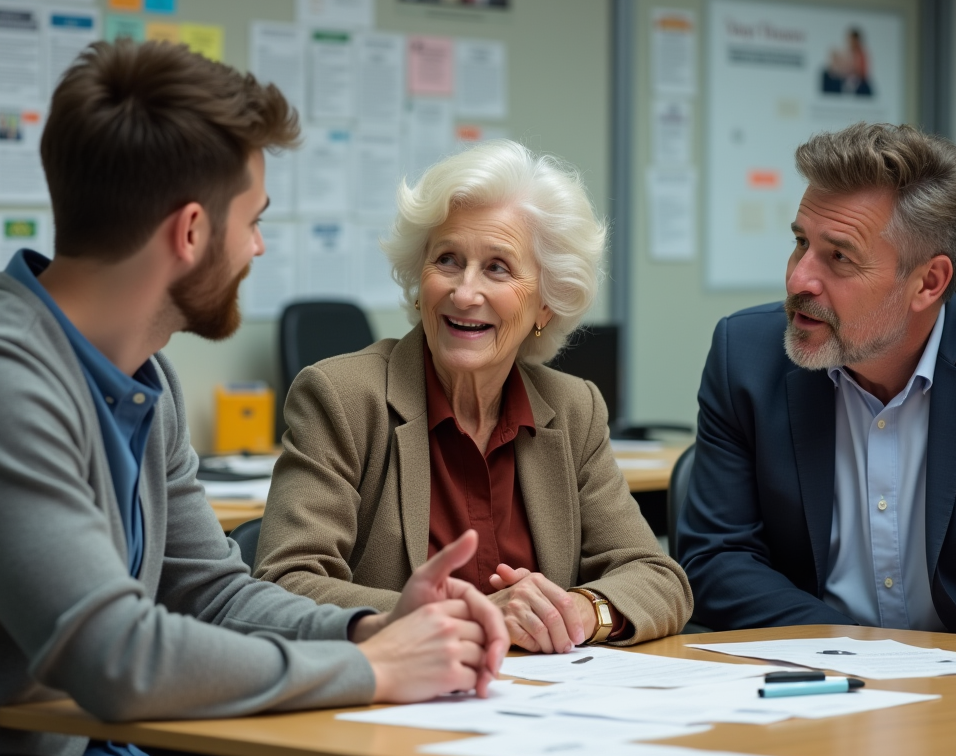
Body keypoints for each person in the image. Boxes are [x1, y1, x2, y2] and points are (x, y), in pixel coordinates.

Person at [0, 40, 507, 756]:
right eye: (253, 221)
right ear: (190, 232)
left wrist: (369, 631)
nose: (256, 248)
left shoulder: (139, 375)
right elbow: (116, 658)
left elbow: (210, 594)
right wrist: (376, 672)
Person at [678, 122, 956, 670]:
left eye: (839, 257)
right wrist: (857, 649)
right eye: (800, 242)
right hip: (817, 678)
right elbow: (715, 556)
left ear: (929, 282)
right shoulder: (746, 355)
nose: (799, 278)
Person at [255, 140, 693, 653]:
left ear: (547, 304)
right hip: (395, 710)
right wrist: (463, 618)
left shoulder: (574, 410)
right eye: (447, 260)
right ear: (419, 281)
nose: (464, 293)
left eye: (498, 268)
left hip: (548, 712)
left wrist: (579, 611)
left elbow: (658, 578)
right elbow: (284, 585)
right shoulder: (343, 397)